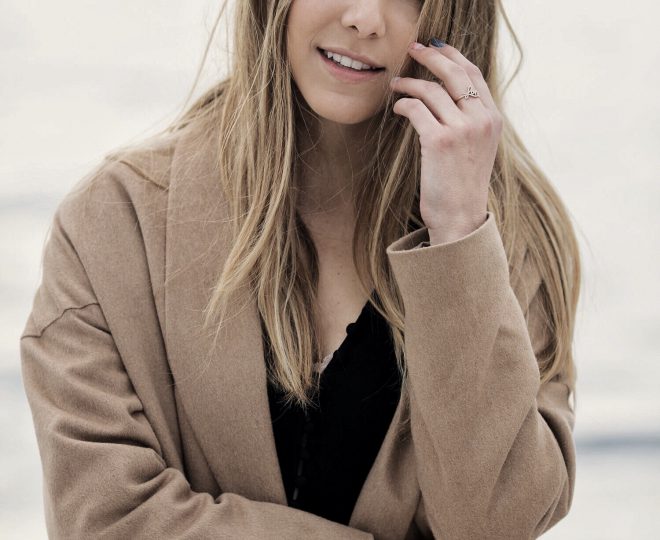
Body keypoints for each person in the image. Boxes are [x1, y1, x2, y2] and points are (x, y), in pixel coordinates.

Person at [20, 0, 581, 538]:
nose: (364, 18)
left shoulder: (511, 237)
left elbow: (496, 527)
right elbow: (103, 522)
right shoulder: (116, 221)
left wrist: (459, 238)